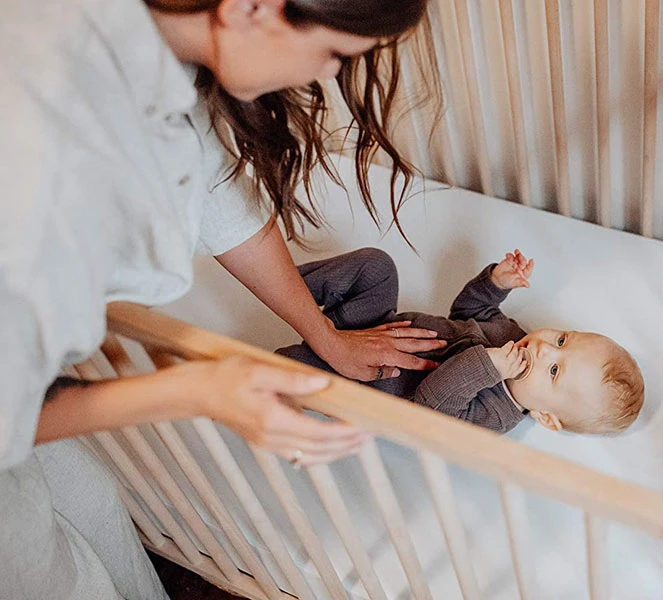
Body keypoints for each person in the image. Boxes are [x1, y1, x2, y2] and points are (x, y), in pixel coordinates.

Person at [0, 0, 444, 598]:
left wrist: (326, 337)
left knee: (97, 507)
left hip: (23, 409)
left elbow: (223, 202)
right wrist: (201, 389)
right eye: (333, 54)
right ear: (252, 9)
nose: (328, 76)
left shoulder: (157, 47)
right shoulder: (42, 153)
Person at [278, 248, 646, 434]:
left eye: (553, 370)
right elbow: (468, 312)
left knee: (284, 370)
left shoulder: (494, 418)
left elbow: (430, 409)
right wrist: (495, 284)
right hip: (378, 326)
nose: (545, 347)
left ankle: (260, 365)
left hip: (365, 378)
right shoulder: (513, 339)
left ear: (546, 417)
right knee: (377, 267)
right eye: (563, 340)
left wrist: (489, 366)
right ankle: (282, 288)